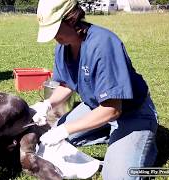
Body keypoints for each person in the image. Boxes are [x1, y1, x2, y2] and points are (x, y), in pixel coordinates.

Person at [30, 0, 158, 179]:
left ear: (71, 19)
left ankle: (142, 139)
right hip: (95, 106)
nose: (53, 36)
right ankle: (106, 131)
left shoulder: (104, 44)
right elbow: (67, 84)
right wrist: (47, 104)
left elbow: (112, 109)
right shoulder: (63, 46)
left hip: (131, 112)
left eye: (55, 28)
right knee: (50, 139)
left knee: (117, 176)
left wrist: (65, 129)